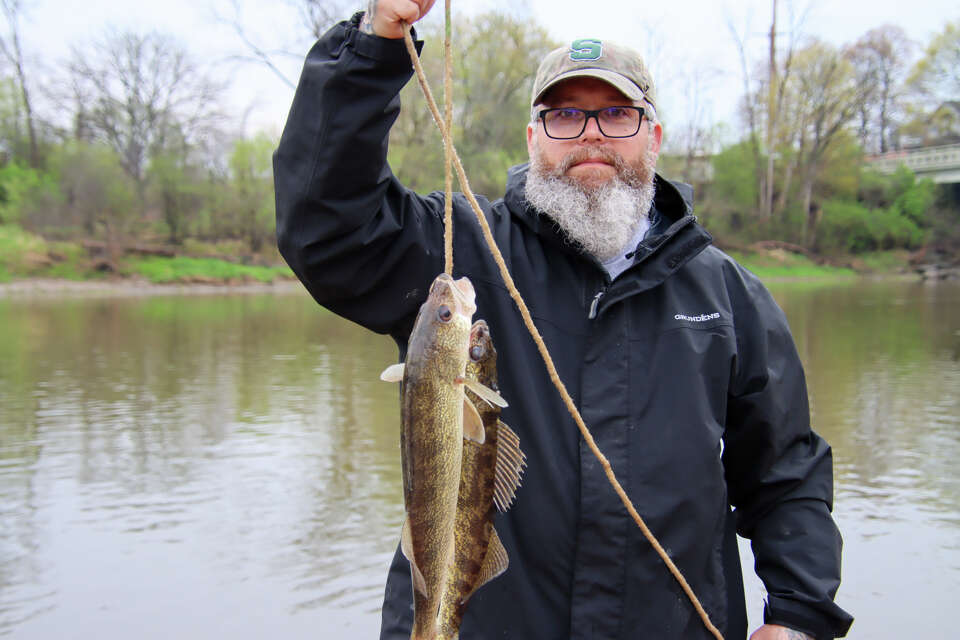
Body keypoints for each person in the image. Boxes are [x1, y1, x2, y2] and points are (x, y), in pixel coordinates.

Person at [273, 1, 854, 638]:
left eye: (616, 113)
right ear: (533, 138)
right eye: (564, 115)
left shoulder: (731, 295)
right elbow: (327, 226)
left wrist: (799, 616)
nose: (590, 133)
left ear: (653, 136)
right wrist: (375, 42)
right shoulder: (461, 252)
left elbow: (786, 474)